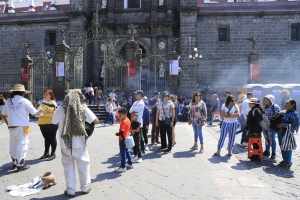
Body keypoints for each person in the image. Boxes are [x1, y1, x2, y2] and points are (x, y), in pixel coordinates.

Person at [52, 89, 99, 196]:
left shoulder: (60, 109)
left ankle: (70, 190)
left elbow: (53, 121)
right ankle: (85, 187)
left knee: (68, 167)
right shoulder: (83, 108)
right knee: (83, 165)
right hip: (80, 143)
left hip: (65, 143)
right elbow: (96, 121)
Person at [1, 84, 40, 171]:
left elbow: (3, 115)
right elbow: (35, 114)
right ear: (23, 92)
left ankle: (14, 162)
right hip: (22, 126)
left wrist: (8, 123)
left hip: (11, 126)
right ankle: (20, 164)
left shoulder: (8, 101)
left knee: (13, 144)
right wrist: (40, 109)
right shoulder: (25, 101)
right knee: (22, 144)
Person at [36, 89, 58, 161]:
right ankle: (46, 153)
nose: (45, 95)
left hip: (51, 123)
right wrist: (41, 114)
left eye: (46, 94)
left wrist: (43, 115)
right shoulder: (43, 103)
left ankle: (53, 153)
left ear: (51, 95)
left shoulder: (53, 103)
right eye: (44, 94)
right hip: (42, 123)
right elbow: (37, 114)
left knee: (52, 138)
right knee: (46, 139)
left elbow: (54, 114)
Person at [276, 100, 299, 167]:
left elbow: (296, 125)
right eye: (285, 103)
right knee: (282, 146)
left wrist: (284, 125)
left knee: (287, 147)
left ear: (293, 105)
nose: (285, 104)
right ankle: (285, 160)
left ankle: (288, 162)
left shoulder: (294, 113)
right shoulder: (285, 112)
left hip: (288, 133)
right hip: (281, 132)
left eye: (287, 103)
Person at [114, 107, 133, 173]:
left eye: (120, 115)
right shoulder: (128, 119)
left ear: (125, 114)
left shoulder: (123, 122)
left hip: (122, 139)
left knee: (122, 153)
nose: (119, 116)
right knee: (127, 151)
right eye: (119, 115)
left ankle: (123, 167)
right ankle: (130, 163)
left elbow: (121, 132)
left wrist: (117, 133)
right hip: (127, 137)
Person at [263, 94, 280, 159]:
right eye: (265, 99)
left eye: (267, 99)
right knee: (266, 139)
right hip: (264, 126)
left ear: (271, 100)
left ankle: (273, 152)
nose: (265, 101)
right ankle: (267, 151)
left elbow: (278, 116)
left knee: (272, 139)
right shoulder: (264, 107)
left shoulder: (275, 107)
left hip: (271, 126)